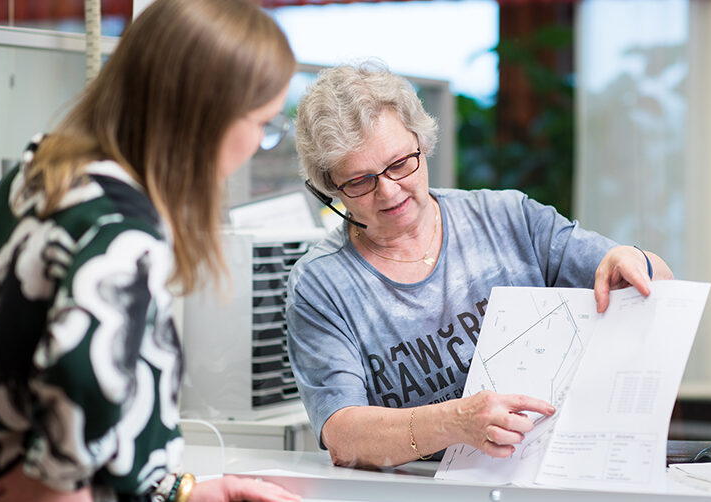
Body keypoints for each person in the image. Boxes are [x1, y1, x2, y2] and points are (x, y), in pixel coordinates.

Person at [0, 0, 301, 501]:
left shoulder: (39, 174)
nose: (260, 141)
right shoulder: (124, 230)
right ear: (206, 116)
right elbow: (82, 383)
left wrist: (183, 492)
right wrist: (59, 488)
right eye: (262, 123)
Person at [286, 61, 674, 469]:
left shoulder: (508, 219)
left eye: (400, 163)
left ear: (422, 141)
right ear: (330, 188)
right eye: (360, 182)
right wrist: (455, 422)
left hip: (549, 474)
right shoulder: (321, 284)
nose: (388, 191)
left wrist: (635, 262)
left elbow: (658, 281)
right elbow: (343, 435)